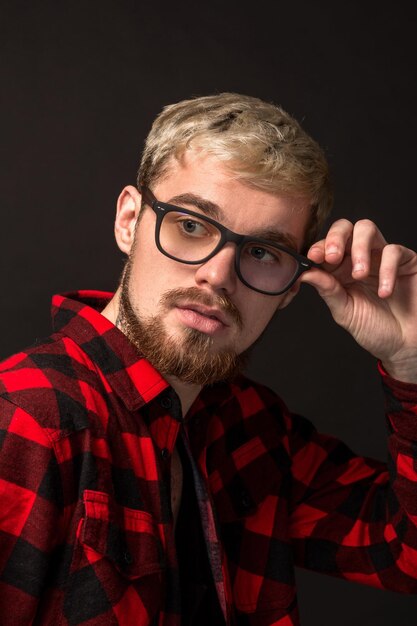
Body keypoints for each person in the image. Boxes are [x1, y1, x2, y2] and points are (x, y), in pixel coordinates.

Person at [0, 92, 416, 626]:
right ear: (130, 221)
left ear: (291, 288)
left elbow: (405, 555)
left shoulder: (251, 428)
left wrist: (410, 362)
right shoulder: (27, 422)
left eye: (263, 252)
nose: (218, 276)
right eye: (192, 225)